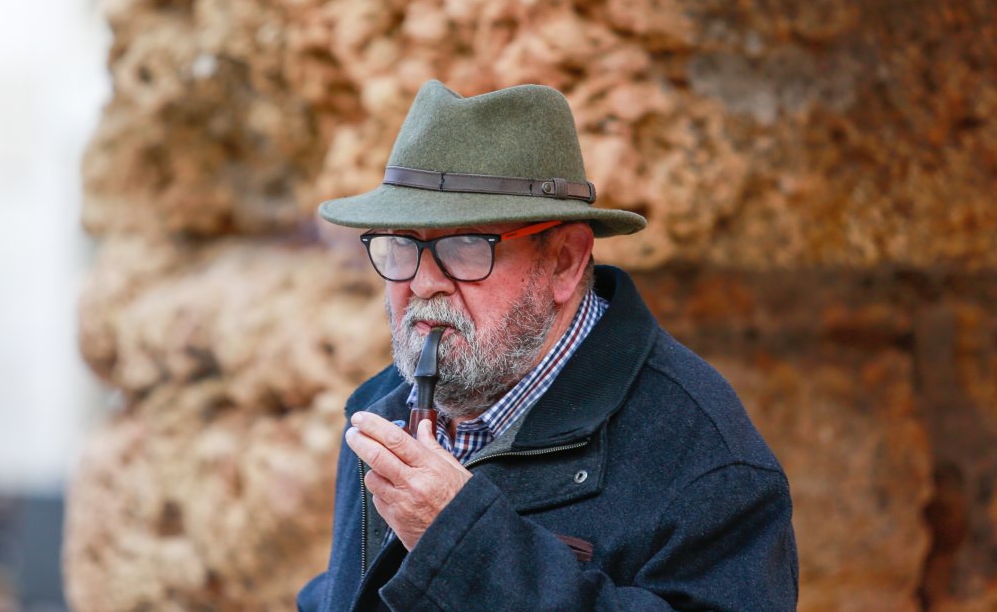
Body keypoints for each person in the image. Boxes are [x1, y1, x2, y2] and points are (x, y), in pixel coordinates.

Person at [298, 80, 798, 611]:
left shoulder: (707, 460)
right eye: (400, 245)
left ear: (564, 261)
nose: (422, 283)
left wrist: (464, 548)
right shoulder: (381, 406)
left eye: (467, 246)